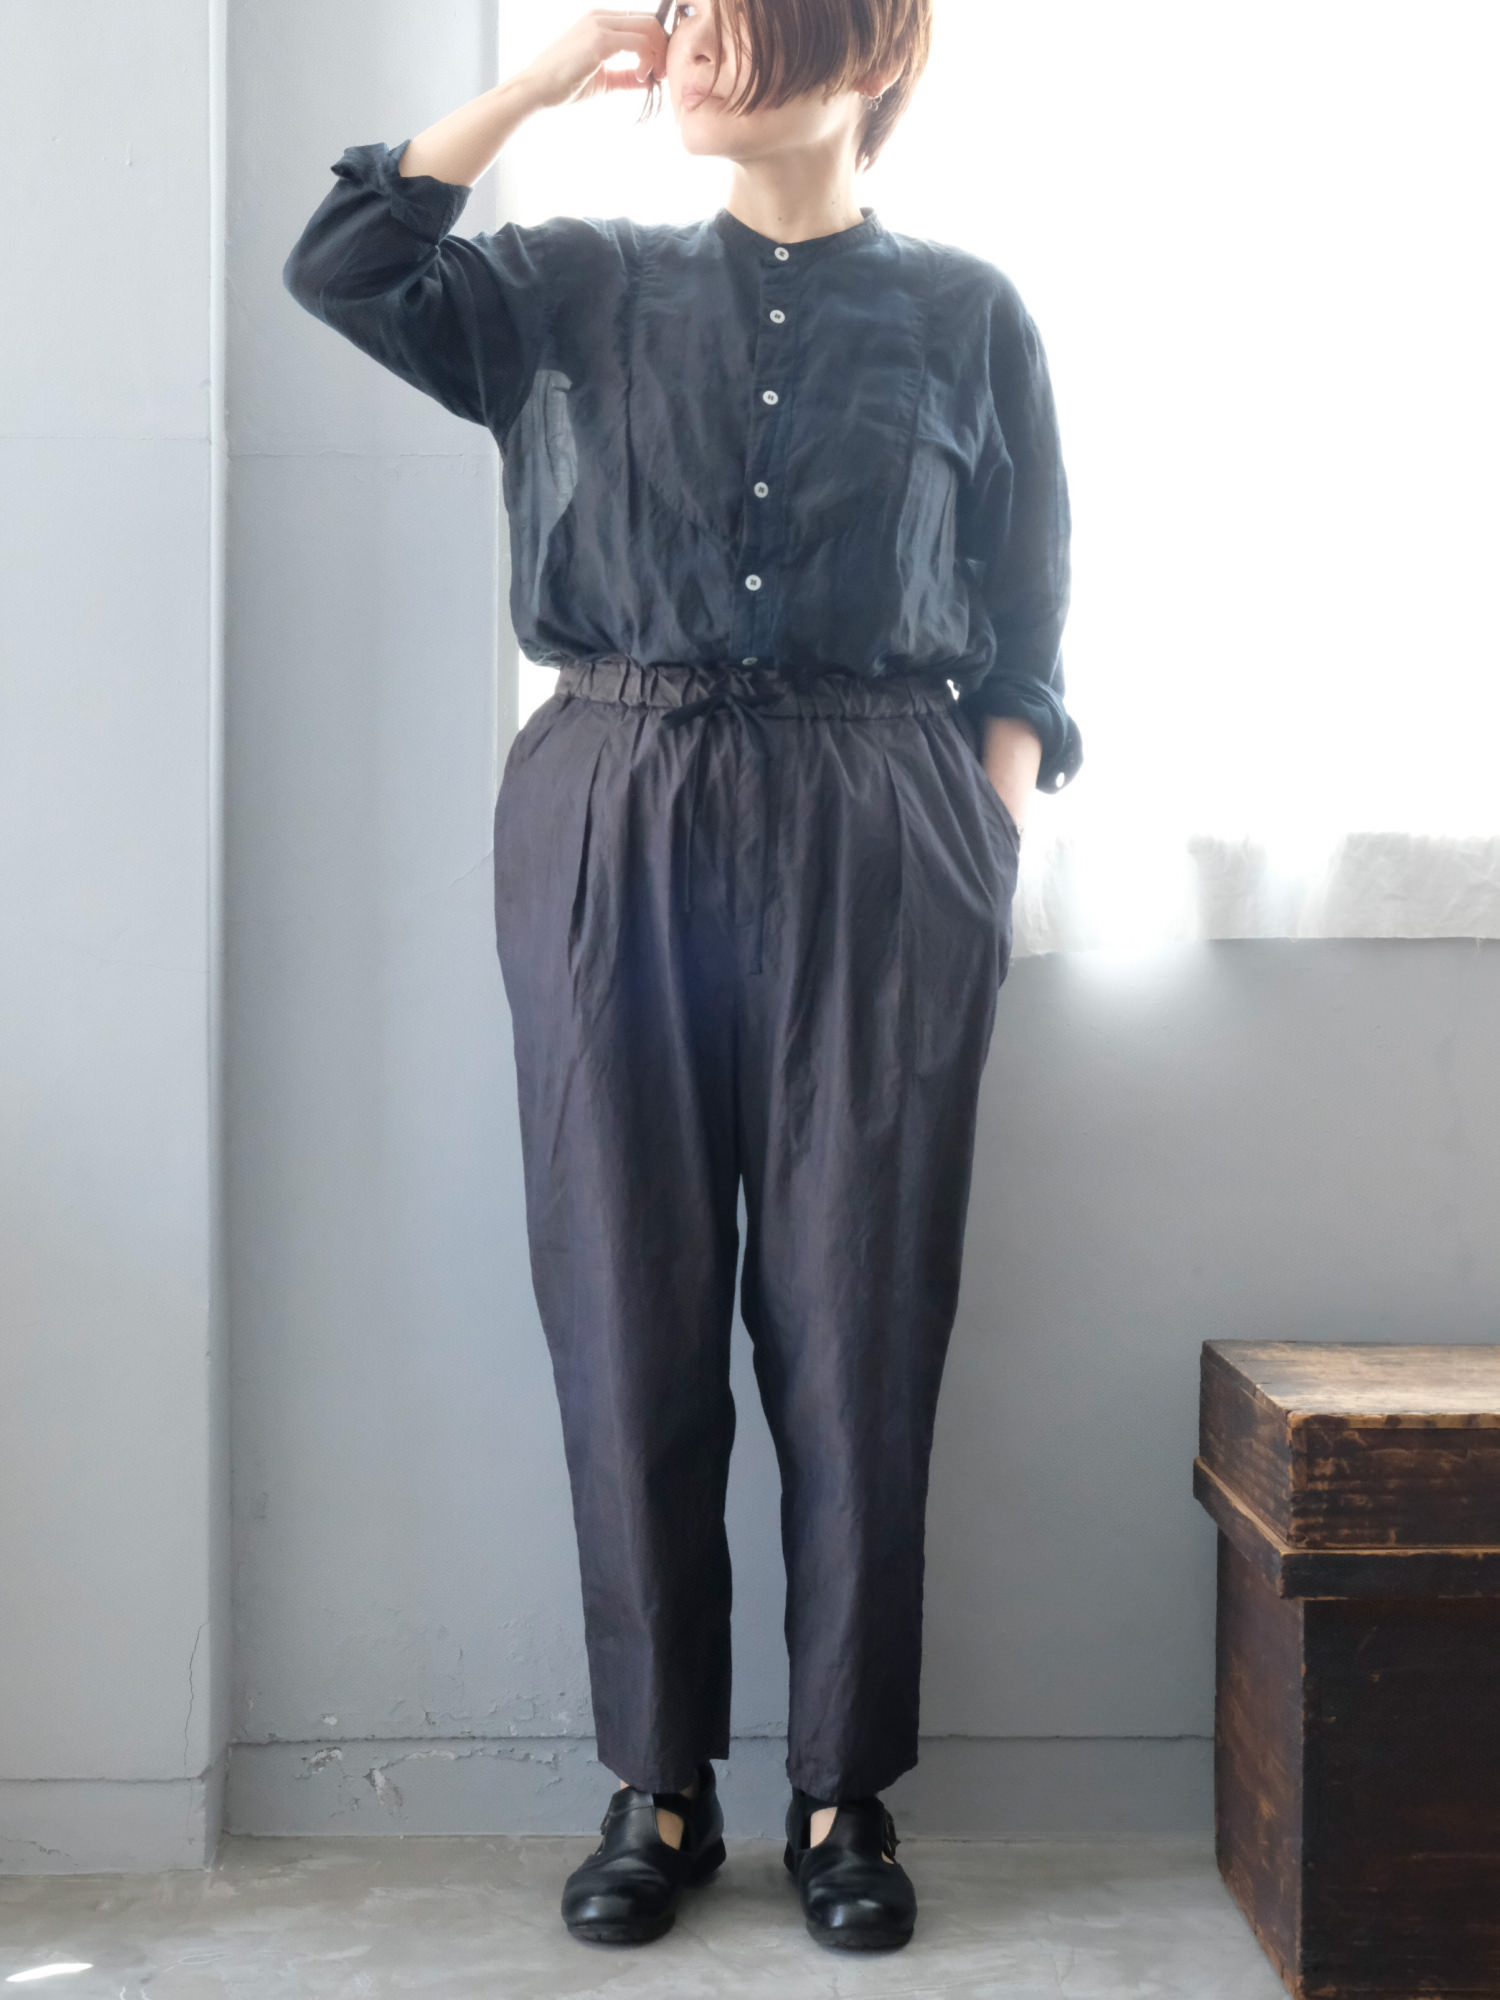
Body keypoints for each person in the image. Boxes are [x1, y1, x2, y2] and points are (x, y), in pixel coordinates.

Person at [283, 0, 1080, 1954]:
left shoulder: (969, 315)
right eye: (691, 11)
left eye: (745, 13)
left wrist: (974, 845)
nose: (701, 40)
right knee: (625, 1307)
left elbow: (1025, 625)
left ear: (866, 56)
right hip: (612, 803)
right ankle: (658, 1782)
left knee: (858, 1320)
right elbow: (348, 262)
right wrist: (545, 77)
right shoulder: (572, 285)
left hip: (879, 825)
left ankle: (841, 1791)